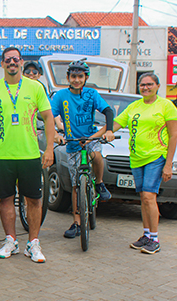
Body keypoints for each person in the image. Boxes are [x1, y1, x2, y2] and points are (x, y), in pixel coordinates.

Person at [0, 47, 55, 263]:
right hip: (3, 155)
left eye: (15, 59)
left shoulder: (35, 87)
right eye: (8, 60)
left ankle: (33, 243)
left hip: (29, 154)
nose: (12, 63)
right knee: (5, 199)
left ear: (21, 62)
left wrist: (50, 149)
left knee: (33, 200)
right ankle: (10, 241)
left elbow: (48, 117)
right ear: (2, 64)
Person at [106, 73, 177, 254]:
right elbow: (115, 123)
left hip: (156, 157)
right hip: (136, 158)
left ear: (157, 86)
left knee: (148, 196)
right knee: (143, 198)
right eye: (142, 85)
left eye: (149, 84)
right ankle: (146, 235)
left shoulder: (166, 106)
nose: (145, 87)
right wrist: (100, 133)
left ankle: (154, 239)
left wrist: (168, 163)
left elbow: (174, 135)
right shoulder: (134, 106)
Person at [50, 60, 114, 239]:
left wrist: (108, 130)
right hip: (72, 143)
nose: (76, 80)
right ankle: (77, 222)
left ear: (85, 77)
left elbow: (108, 111)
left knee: (96, 155)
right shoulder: (61, 95)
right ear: (68, 78)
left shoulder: (92, 94)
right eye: (73, 76)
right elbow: (51, 115)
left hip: (91, 138)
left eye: (80, 76)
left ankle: (100, 184)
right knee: (76, 185)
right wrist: (56, 134)